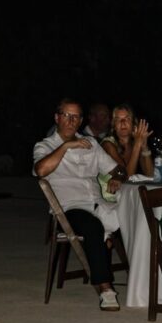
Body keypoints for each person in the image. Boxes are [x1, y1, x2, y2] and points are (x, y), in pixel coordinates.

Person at [33, 99, 124, 311]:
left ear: (81, 120)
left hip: (99, 204)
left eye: (75, 117)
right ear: (57, 118)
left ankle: (147, 280)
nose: (71, 121)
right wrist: (66, 146)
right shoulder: (45, 146)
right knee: (93, 226)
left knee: (137, 213)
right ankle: (105, 288)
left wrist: (118, 176)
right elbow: (41, 170)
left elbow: (117, 169)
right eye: (66, 115)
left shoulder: (90, 144)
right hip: (69, 209)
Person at [100, 103, 154, 178]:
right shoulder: (108, 144)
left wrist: (144, 146)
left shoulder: (134, 143)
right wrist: (137, 144)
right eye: (118, 119)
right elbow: (125, 177)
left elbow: (150, 175)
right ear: (114, 125)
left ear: (134, 124)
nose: (123, 122)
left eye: (127, 118)